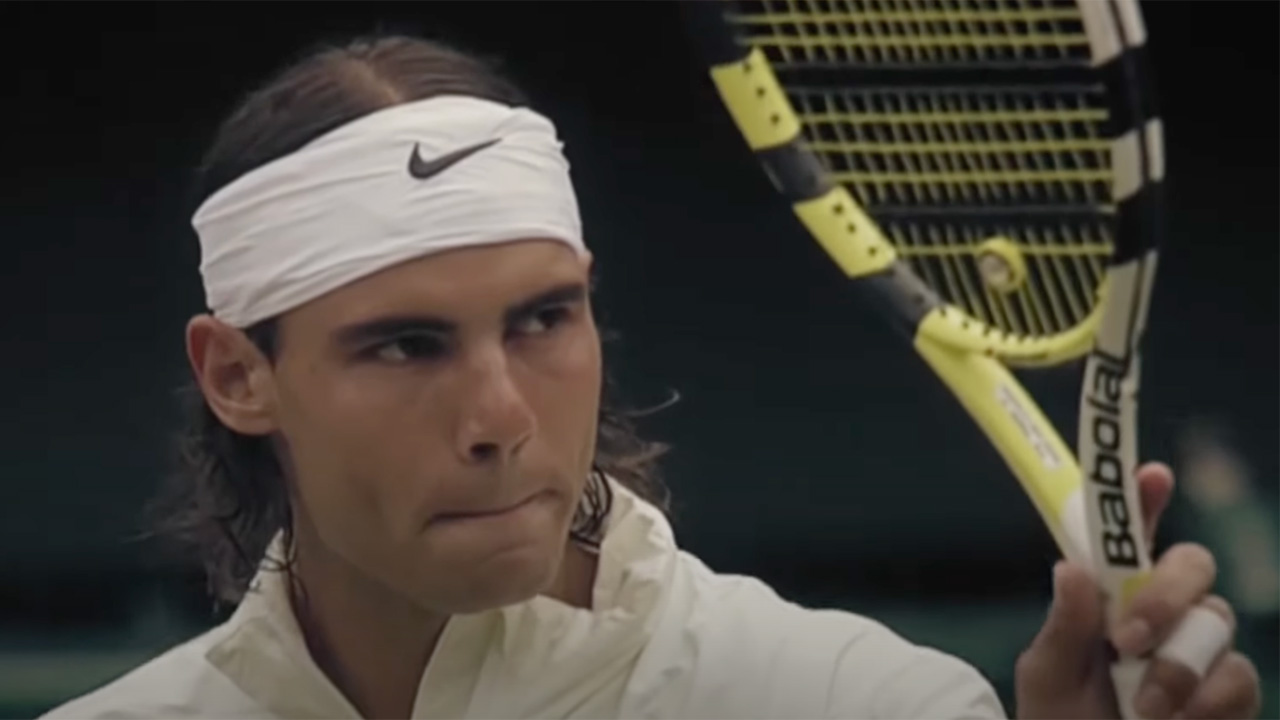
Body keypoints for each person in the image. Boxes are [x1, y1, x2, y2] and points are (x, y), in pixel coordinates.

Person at [42, 35, 1259, 720]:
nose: (501, 417)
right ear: (238, 374)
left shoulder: (861, 704)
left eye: (542, 319)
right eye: (404, 344)